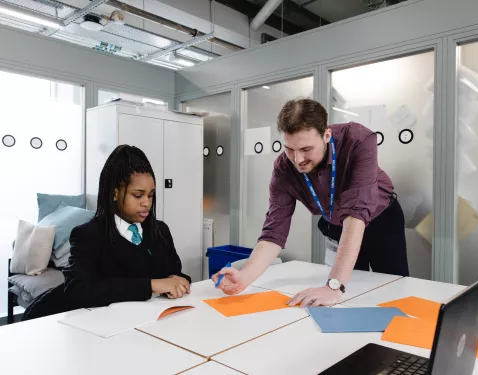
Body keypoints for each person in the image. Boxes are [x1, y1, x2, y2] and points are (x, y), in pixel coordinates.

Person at [212, 98, 408, 308]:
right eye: (289, 149)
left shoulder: (358, 140)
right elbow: (273, 232)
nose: (298, 159)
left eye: (306, 149)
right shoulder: (283, 168)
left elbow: (356, 214)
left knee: (391, 292)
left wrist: (334, 286)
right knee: (347, 299)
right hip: (337, 225)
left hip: (380, 222)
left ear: (326, 135)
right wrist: (245, 276)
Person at [23, 145, 190, 320]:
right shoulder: (88, 235)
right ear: (115, 193)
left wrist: (179, 280)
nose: (147, 203)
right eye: (138, 195)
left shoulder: (160, 230)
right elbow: (78, 290)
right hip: (93, 326)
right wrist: (152, 285)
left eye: (150, 195)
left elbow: (174, 273)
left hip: (145, 323)